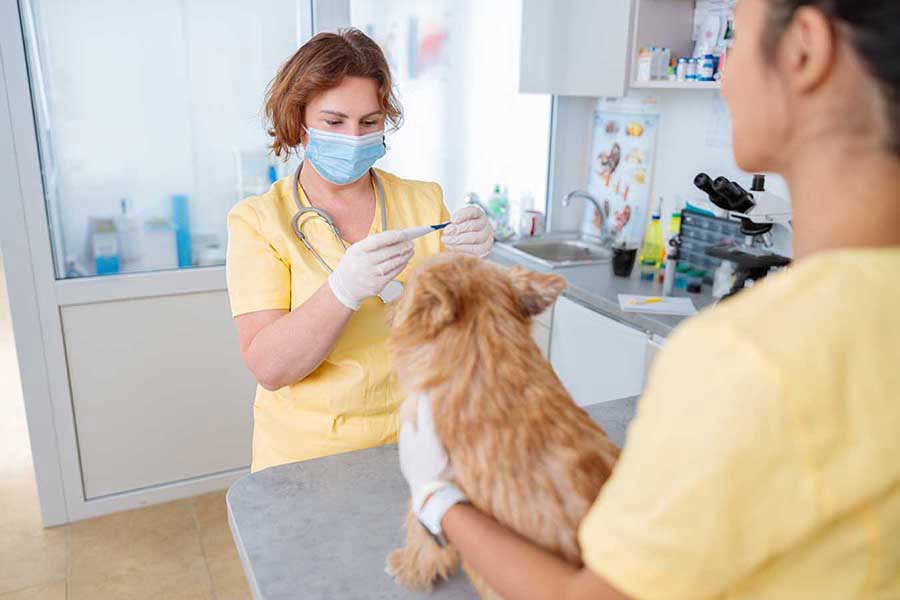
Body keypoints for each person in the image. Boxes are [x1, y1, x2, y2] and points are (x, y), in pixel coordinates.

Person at [398, 0, 900, 597]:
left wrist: (439, 500)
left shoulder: (748, 355)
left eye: (735, 33)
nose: (724, 71)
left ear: (804, 50)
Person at [226, 29, 493, 472]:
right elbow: (269, 367)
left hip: (415, 443)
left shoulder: (423, 202)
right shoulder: (258, 221)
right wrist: (342, 291)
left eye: (369, 122)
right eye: (334, 122)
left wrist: (473, 267)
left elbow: (458, 331)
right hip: (306, 459)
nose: (354, 137)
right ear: (298, 120)